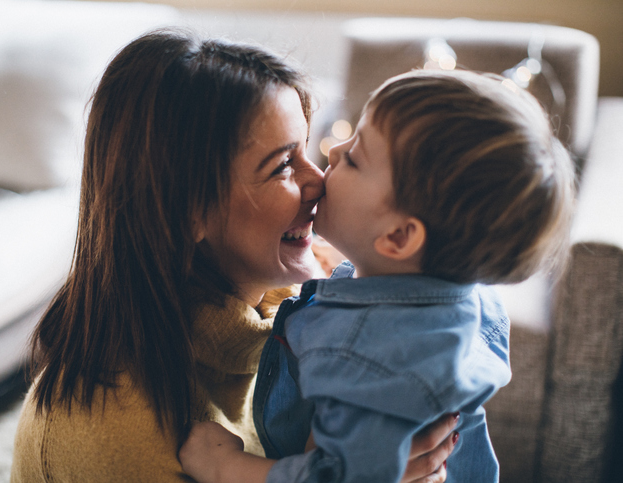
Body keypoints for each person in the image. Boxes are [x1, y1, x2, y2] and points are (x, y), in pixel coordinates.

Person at [10, 30, 458, 482]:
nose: (318, 179)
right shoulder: (112, 431)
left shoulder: (322, 291)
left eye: (306, 148)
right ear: (187, 211)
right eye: (283, 165)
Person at [178, 69, 576, 483]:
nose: (330, 155)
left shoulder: (373, 362)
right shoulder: (456, 297)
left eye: (353, 157)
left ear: (399, 236)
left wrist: (225, 468)